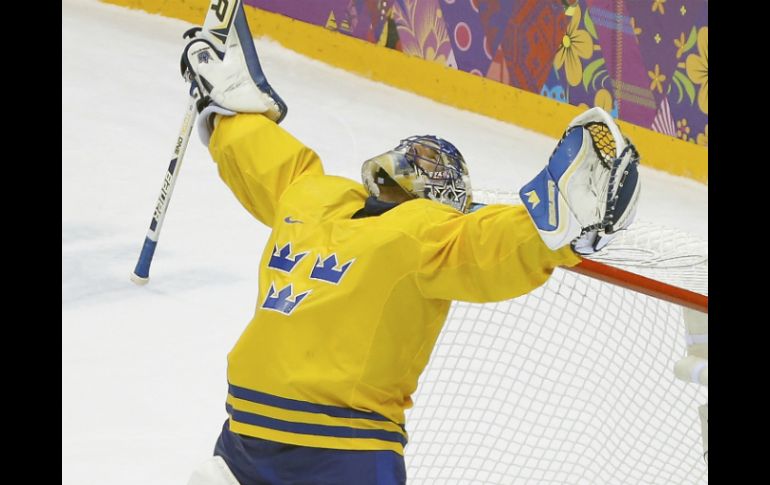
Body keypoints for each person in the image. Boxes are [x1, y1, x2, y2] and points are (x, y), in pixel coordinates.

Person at [181, 22, 640, 485]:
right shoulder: (421, 232)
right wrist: (554, 225)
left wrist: (229, 113)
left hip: (245, 434)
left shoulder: (311, 199)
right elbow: (485, 246)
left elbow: (266, 159)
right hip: (341, 447)